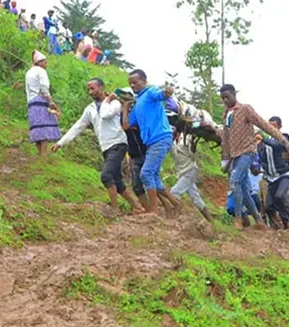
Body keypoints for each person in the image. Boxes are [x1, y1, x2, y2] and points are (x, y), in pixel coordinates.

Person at [51, 78, 144, 215]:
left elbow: (105, 115)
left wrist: (107, 100)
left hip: (118, 143)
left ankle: (114, 209)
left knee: (106, 175)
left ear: (101, 88)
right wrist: (60, 143)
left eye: (93, 88)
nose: (90, 92)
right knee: (117, 182)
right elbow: (78, 126)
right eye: (88, 89)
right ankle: (138, 207)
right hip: (105, 147)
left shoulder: (115, 103)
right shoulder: (90, 109)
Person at [219, 84, 289, 230]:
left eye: (228, 97)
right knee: (244, 189)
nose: (226, 100)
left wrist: (283, 141)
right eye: (223, 98)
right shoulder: (226, 114)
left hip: (247, 152)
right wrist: (226, 160)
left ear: (234, 95)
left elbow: (263, 124)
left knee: (234, 181)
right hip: (235, 156)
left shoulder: (245, 109)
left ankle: (238, 219)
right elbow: (226, 139)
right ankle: (259, 220)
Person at [121, 69, 182, 215]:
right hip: (151, 143)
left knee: (146, 173)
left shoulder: (150, 92)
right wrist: (125, 108)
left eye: (135, 82)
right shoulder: (137, 105)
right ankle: (175, 203)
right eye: (131, 84)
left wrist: (167, 92)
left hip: (161, 137)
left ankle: (154, 210)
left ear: (144, 80)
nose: (133, 85)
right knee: (152, 176)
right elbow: (126, 126)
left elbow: (161, 94)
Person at [258, 116, 289, 229]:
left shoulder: (284, 138)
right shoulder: (264, 142)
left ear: (279, 126)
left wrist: (262, 139)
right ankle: (279, 226)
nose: (270, 128)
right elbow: (261, 157)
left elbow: (277, 145)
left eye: (273, 126)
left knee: (279, 196)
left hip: (284, 175)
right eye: (269, 126)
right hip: (271, 177)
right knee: (268, 206)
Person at [170, 129, 212, 222]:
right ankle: (211, 221)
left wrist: (192, 145)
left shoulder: (186, 140)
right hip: (182, 172)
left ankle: (176, 215)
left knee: (174, 192)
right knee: (196, 198)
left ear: (177, 133)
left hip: (190, 171)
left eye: (172, 132)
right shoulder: (171, 143)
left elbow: (193, 156)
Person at [25, 50, 60, 157]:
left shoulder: (29, 72)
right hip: (41, 101)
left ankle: (40, 152)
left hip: (31, 102)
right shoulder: (41, 71)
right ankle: (43, 154)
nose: (46, 64)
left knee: (36, 127)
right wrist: (50, 101)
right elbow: (44, 88)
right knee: (45, 127)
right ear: (39, 62)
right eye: (44, 62)